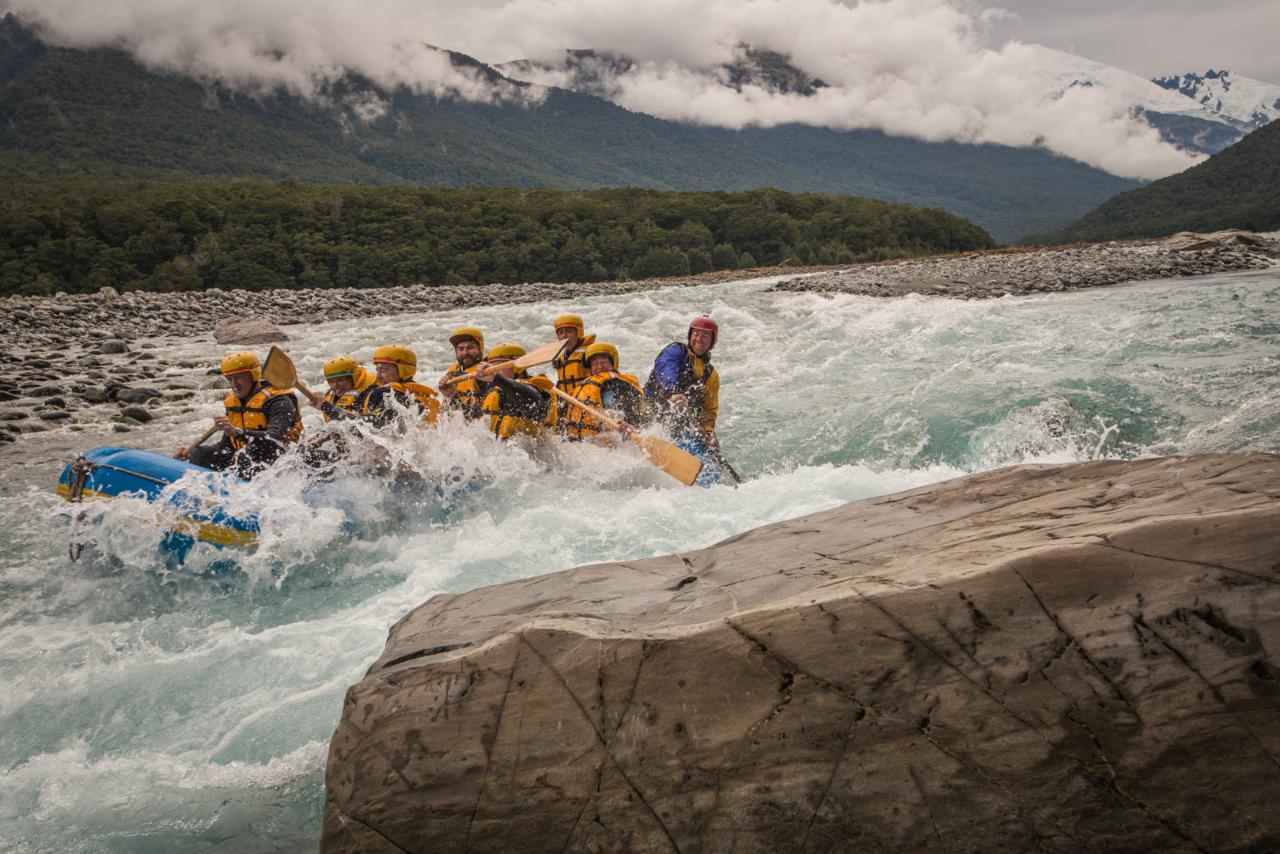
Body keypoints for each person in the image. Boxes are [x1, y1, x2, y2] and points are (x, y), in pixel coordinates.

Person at [175, 351, 302, 476]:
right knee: (199, 453)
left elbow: (275, 437)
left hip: (279, 462)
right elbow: (228, 445)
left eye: (238, 377)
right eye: (229, 379)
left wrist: (237, 432)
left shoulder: (278, 401)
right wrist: (189, 454)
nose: (233, 384)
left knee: (249, 452)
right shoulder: (234, 403)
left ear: (254, 375)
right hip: (246, 462)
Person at [645, 315, 720, 449]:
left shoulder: (711, 375)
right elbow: (667, 369)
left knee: (712, 447)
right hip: (652, 411)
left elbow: (709, 411)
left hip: (681, 424)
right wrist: (673, 392)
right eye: (696, 334)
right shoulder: (676, 351)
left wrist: (709, 432)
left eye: (705, 336)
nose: (699, 339)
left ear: (712, 341)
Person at [561, 342, 649, 443]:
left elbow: (632, 409)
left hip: (614, 438)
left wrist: (626, 423)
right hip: (583, 440)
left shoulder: (619, 384)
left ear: (612, 364)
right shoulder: (586, 385)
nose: (599, 367)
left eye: (603, 362)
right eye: (595, 364)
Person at [478, 343, 557, 440]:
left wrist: (497, 378)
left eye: (497, 367)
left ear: (517, 368)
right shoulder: (494, 390)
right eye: (491, 367)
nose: (492, 371)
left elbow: (533, 401)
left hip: (533, 452)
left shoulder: (538, 385)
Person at [362, 344, 440, 429]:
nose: (378, 377)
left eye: (384, 370)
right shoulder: (421, 394)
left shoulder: (393, 396)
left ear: (403, 370)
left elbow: (375, 426)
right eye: (377, 370)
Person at [549, 313, 595, 426]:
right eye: (560, 332)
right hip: (569, 407)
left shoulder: (590, 354)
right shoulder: (561, 357)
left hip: (588, 405)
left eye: (569, 331)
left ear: (579, 332)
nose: (564, 336)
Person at [438, 326, 490, 420]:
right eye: (460, 349)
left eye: (470, 348)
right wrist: (446, 391)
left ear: (480, 348)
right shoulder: (454, 370)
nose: (465, 353)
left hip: (479, 427)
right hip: (458, 427)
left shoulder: (487, 371)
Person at [306, 355, 376, 422]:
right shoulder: (329, 394)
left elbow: (363, 425)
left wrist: (325, 406)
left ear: (354, 377)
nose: (335, 386)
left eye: (340, 380)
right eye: (331, 381)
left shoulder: (373, 394)